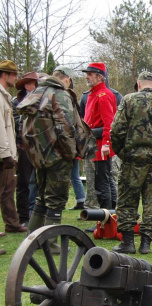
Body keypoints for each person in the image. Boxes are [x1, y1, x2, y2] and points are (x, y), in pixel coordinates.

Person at [111, 71, 152, 254]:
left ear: (139, 84)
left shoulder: (128, 100)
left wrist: (123, 152)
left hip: (132, 160)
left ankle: (127, 242)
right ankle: (146, 243)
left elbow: (116, 130)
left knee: (127, 200)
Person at [17, 66, 79, 251]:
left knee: (41, 198)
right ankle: (51, 244)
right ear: (66, 79)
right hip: (57, 154)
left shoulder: (37, 92)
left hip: (38, 154)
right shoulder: (60, 94)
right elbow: (66, 126)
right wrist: (70, 152)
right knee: (56, 199)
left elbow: (22, 122)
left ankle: (32, 239)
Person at [79, 68, 123, 211]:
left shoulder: (103, 95)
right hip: (94, 146)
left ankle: (107, 220)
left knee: (102, 184)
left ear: (99, 77)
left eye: (90, 74)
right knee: (103, 183)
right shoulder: (94, 94)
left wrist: (106, 144)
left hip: (100, 147)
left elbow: (109, 123)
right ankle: (109, 218)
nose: (87, 77)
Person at [0, 59, 27, 239]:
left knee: (8, 189)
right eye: (14, 74)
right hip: (2, 153)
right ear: (4, 75)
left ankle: (12, 223)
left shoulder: (5, 96)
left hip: (6, 152)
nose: (16, 78)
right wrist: (5, 154)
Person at [11, 71, 38, 225]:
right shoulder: (16, 102)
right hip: (23, 147)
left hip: (37, 148)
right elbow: (17, 124)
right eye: (35, 84)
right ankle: (24, 217)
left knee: (37, 183)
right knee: (23, 183)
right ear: (27, 86)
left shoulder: (39, 100)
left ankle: (35, 213)